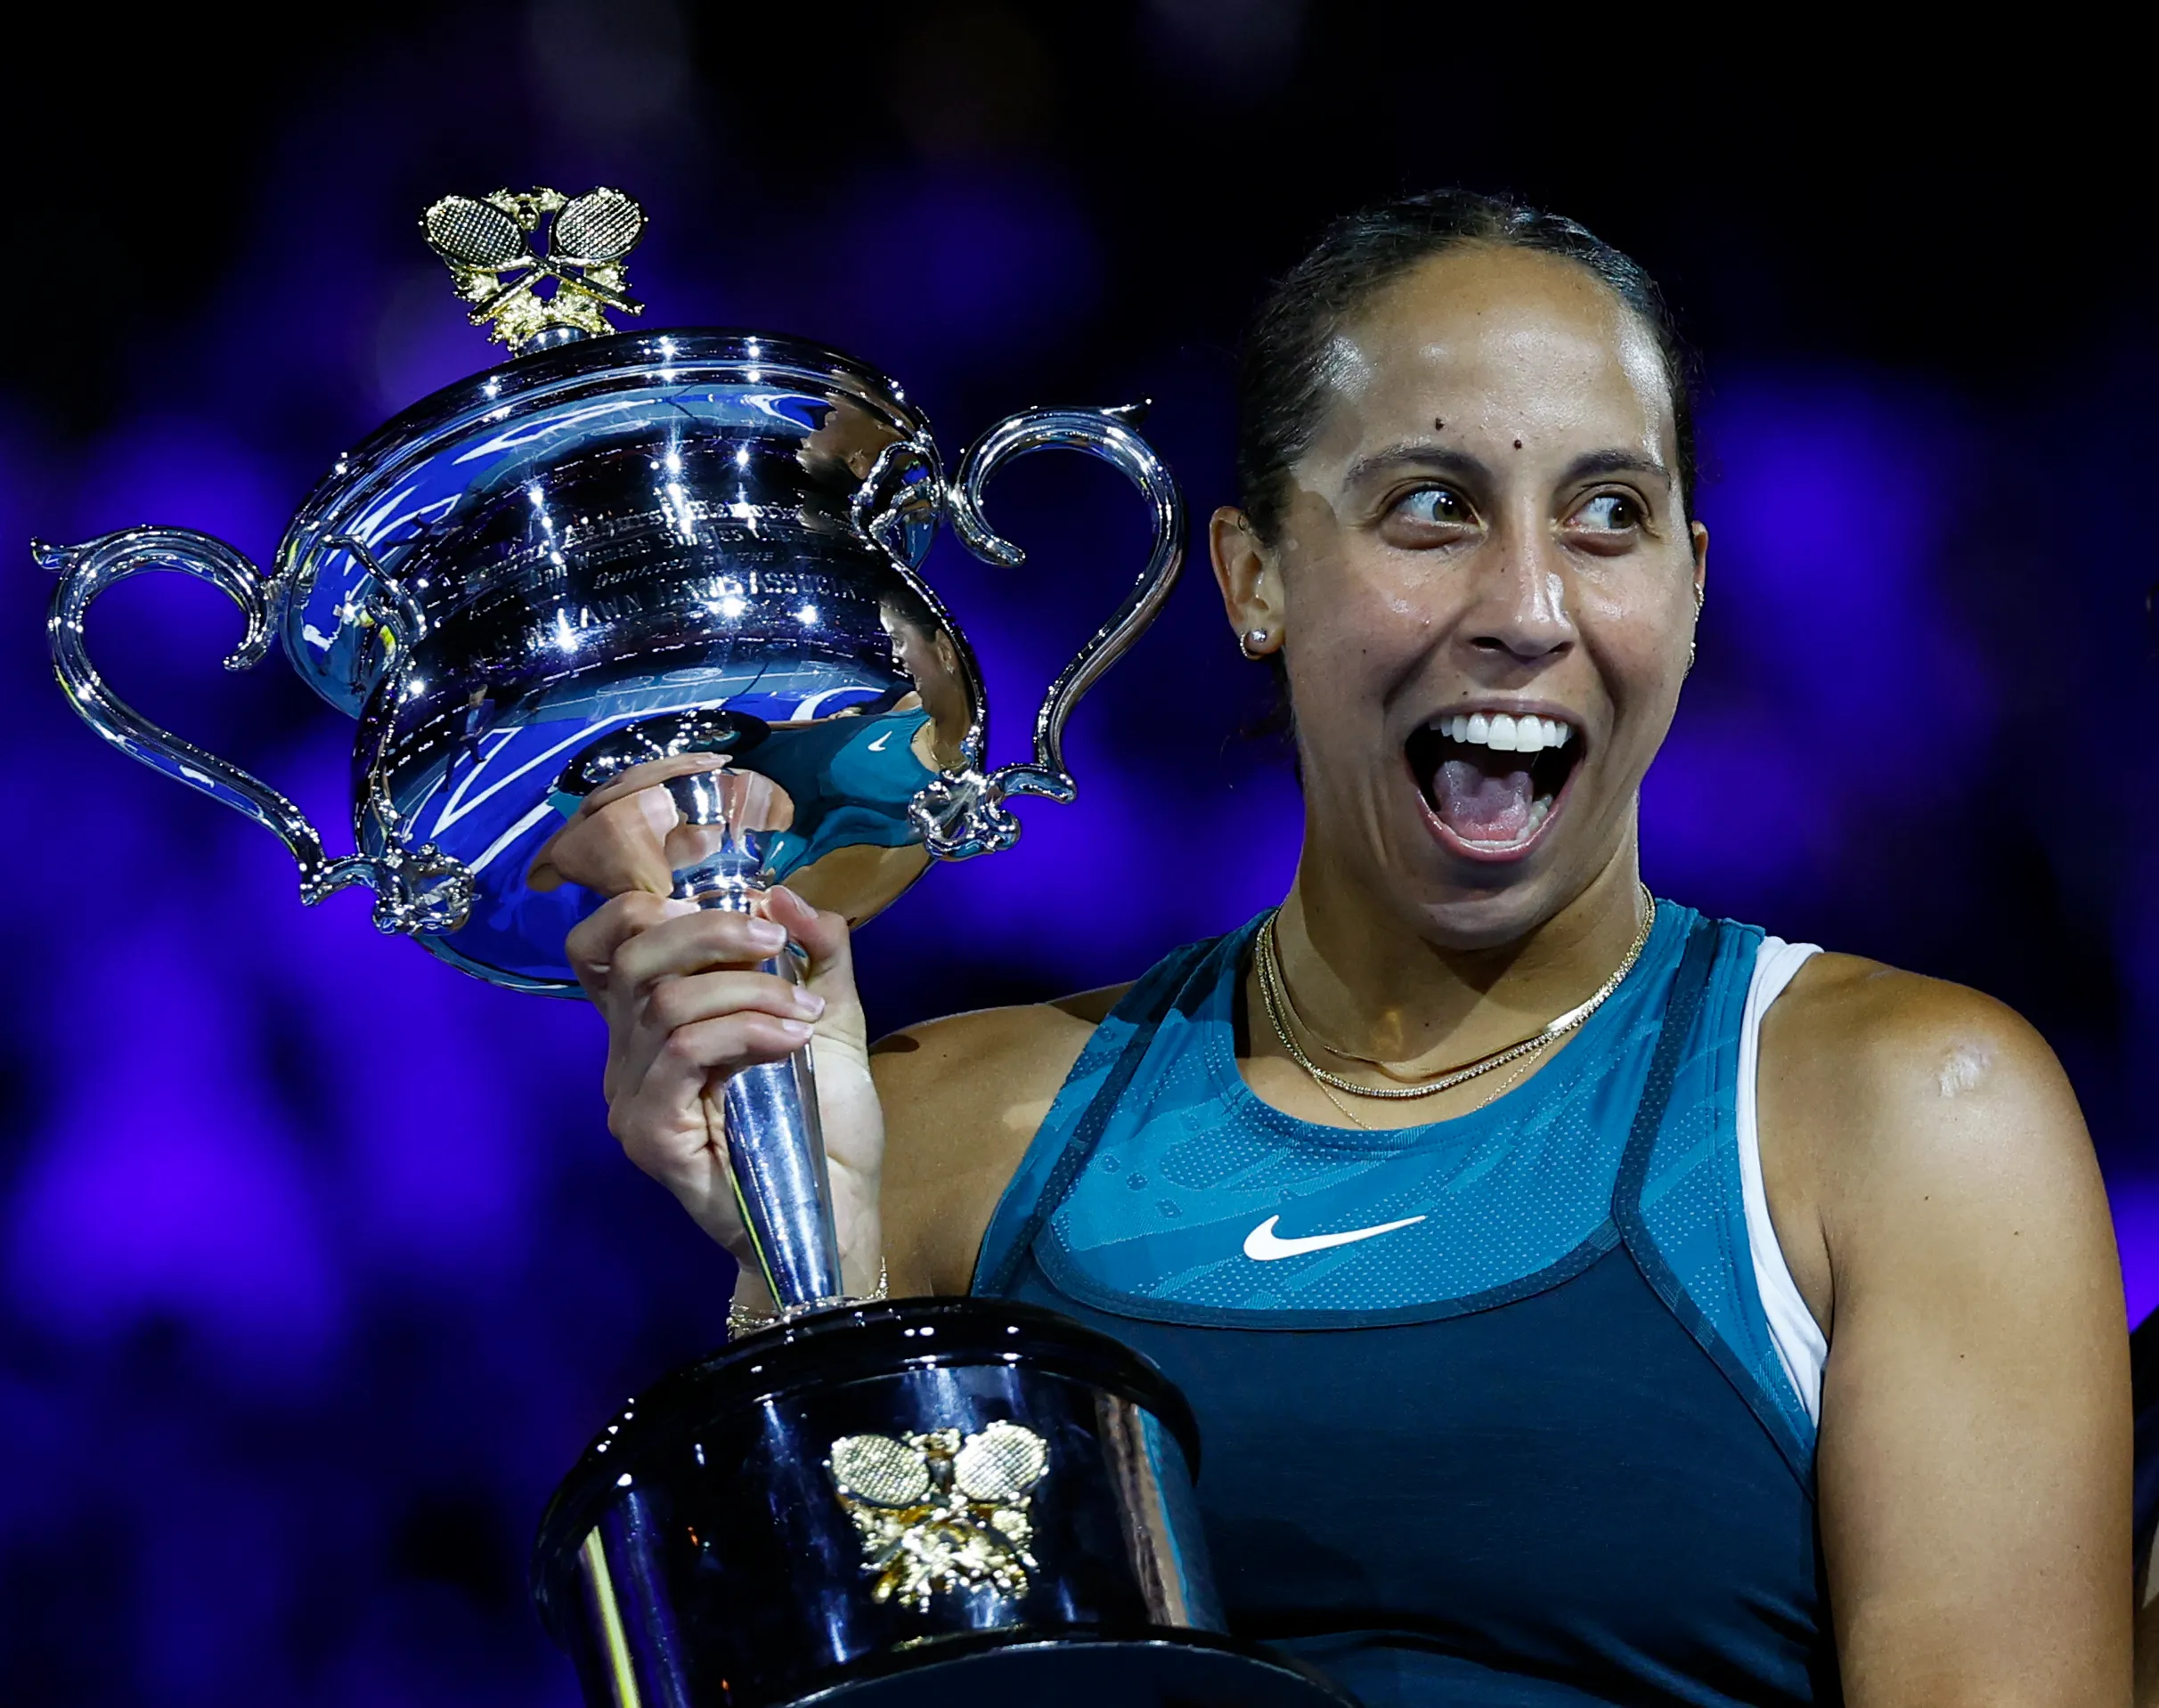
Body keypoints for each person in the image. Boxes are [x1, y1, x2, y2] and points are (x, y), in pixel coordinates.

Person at [551, 191, 2130, 1705]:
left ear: (1694, 592)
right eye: (1431, 507)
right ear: (1255, 579)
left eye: (1609, 516)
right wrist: (799, 1261)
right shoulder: (956, 1134)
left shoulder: (1911, 1120)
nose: (1528, 603)